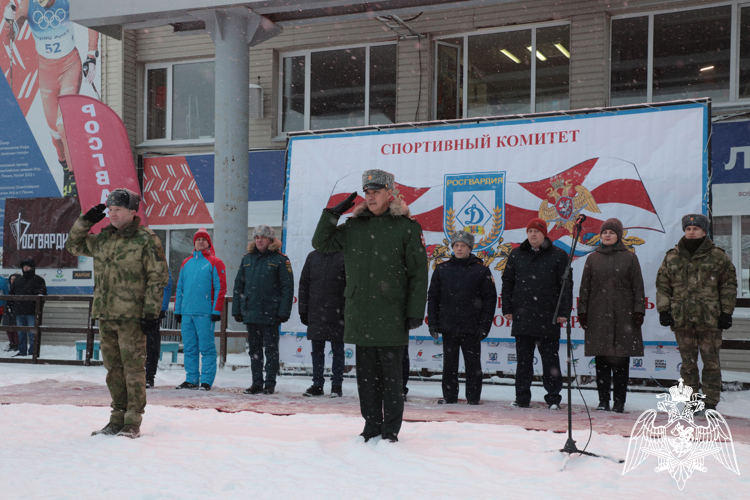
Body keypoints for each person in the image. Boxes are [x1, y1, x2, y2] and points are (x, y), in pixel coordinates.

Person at [312, 169, 429, 443]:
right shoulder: (353, 226)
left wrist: (414, 311)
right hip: (361, 313)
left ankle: (390, 429)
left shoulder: (406, 227)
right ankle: (371, 425)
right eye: (367, 192)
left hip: (391, 312)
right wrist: (332, 214)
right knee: (366, 378)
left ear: (390, 193)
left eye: (376, 192)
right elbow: (321, 243)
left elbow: (418, 273)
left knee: (391, 378)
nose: (371, 196)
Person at [66, 188, 169, 439]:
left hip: (133, 316)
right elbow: (73, 246)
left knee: (133, 369)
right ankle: (116, 418)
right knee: (113, 369)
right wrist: (85, 221)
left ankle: (132, 421)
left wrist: (151, 313)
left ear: (132, 212)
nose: (112, 214)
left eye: (118, 210)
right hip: (107, 313)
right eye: (109, 210)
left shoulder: (146, 239)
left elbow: (158, 278)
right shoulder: (103, 239)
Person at [3, 0, 100, 197]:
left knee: (64, 125)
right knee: (55, 134)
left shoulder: (67, 2)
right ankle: (65, 167)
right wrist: (7, 21)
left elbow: (92, 19)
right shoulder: (27, 6)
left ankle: (74, 180)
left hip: (69, 66)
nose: (41, 2)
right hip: (47, 71)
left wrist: (91, 55)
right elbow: (9, 38)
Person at [656, 213, 737, 413]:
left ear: (704, 231)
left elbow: (728, 285)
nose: (691, 232)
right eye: (688, 229)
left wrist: (726, 312)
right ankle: (691, 403)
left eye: (696, 229)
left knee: (711, 362)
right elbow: (663, 286)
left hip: (710, 318)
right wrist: (664, 309)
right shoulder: (672, 256)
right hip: (682, 318)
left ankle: (710, 403)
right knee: (688, 364)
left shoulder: (718, 256)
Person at [501, 218, 571, 410]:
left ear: (544, 233)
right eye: (530, 231)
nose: (533, 234)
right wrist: (507, 308)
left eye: (536, 231)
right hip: (523, 316)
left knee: (550, 362)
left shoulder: (558, 255)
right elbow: (507, 282)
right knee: (523, 362)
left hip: (548, 316)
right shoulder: (516, 254)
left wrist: (563, 312)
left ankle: (554, 398)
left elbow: (566, 286)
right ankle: (522, 398)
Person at [578, 219, 645, 413]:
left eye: (611, 232)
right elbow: (585, 288)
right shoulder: (593, 258)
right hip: (598, 314)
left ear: (619, 235)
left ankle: (619, 402)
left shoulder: (630, 258)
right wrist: (583, 310)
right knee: (602, 361)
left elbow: (638, 287)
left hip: (624, 315)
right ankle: (603, 401)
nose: (607, 235)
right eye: (604, 232)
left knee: (621, 361)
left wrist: (638, 309)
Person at [428, 230, 496, 405]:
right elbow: (433, 297)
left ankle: (473, 399)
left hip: (472, 328)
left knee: (473, 366)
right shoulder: (441, 269)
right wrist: (433, 324)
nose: (459, 249)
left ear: (469, 248)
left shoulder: (481, 270)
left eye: (462, 246)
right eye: (456, 245)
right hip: (448, 327)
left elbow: (490, 300)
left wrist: (484, 326)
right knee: (449, 365)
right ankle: (449, 397)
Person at [233, 225, 293, 396]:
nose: (259, 240)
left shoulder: (281, 259)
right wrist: (237, 309)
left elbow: (287, 288)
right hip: (251, 313)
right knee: (254, 350)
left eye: (263, 237)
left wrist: (283, 311)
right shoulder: (247, 259)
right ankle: (256, 383)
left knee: (271, 350)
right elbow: (239, 286)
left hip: (271, 313)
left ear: (271, 240)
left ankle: (270, 384)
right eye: (257, 237)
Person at [174, 228, 227, 391]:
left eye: (204, 239)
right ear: (194, 243)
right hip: (187, 313)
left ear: (209, 243)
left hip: (205, 314)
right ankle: (191, 379)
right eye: (198, 239)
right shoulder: (186, 262)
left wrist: (216, 311)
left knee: (207, 348)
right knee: (189, 348)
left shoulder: (216, 262)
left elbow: (221, 288)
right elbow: (180, 288)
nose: (201, 241)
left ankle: (206, 381)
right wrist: (178, 310)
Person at [298, 250, 346, 398]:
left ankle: (336, 386)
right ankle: (317, 384)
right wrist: (303, 310)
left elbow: (349, 286)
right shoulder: (312, 256)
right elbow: (304, 285)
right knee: (317, 351)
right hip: (316, 312)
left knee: (337, 351)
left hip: (337, 313)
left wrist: (345, 311)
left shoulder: (345, 255)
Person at [10, 258, 47, 357]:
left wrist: (37, 308)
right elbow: (11, 295)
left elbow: (43, 295)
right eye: (24, 267)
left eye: (28, 267)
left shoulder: (39, 280)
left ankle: (32, 352)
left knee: (32, 334)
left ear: (32, 268)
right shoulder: (18, 281)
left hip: (32, 311)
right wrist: (12, 307)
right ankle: (22, 352)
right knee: (21, 333)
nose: (26, 269)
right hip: (19, 311)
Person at [145, 269, 172, 389]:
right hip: (133, 308)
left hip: (152, 309)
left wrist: (162, 307)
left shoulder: (158, 261)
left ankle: (149, 376)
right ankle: (132, 375)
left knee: (151, 345)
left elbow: (166, 286)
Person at [2, 274, 20, 352]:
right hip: (6, 307)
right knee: (8, 327)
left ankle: (16, 344)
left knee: (15, 327)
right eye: (11, 279)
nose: (12, 280)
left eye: (14, 279)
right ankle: (11, 343)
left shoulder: (19, 287)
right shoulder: (6, 286)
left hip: (17, 308)